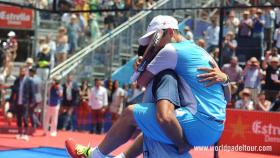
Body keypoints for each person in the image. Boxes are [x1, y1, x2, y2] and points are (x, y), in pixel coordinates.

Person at [65, 15, 230, 158]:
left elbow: (142, 81)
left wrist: (141, 65)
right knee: (151, 126)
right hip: (216, 130)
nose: (155, 44)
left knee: (131, 113)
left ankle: (95, 155)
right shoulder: (202, 51)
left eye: (156, 39)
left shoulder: (170, 50)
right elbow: (227, 96)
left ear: (171, 32)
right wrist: (226, 79)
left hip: (199, 124)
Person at [10, 67, 33, 141]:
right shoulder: (17, 80)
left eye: (24, 71)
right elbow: (13, 91)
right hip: (18, 102)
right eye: (21, 71)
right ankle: (19, 133)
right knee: (18, 118)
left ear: (26, 72)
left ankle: (25, 134)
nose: (22, 72)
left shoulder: (29, 81)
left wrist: (31, 102)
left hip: (25, 102)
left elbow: (31, 92)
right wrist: (11, 101)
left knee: (25, 118)